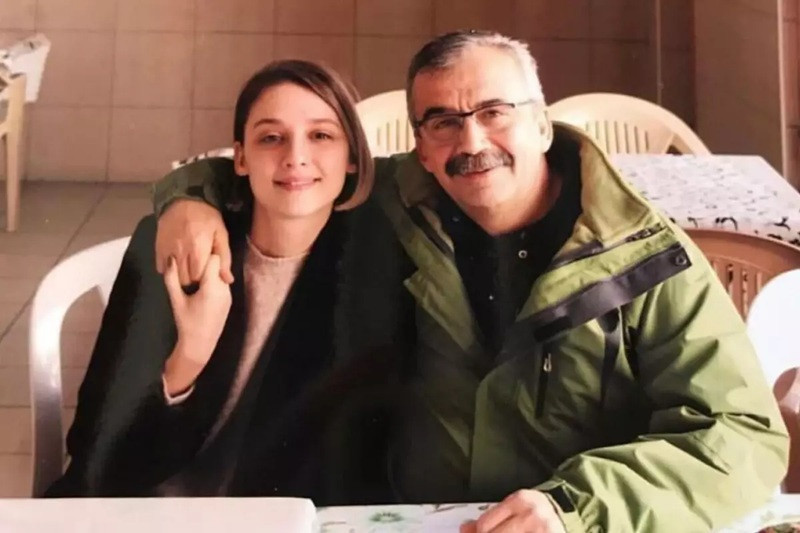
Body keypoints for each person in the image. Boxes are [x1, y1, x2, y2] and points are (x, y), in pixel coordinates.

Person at [150, 31, 789, 532]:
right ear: (422, 148)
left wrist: (576, 507)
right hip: (411, 518)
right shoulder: (401, 202)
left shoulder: (642, 257)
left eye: (494, 112)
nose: (471, 140)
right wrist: (188, 199)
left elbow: (744, 435)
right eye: (443, 121)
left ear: (543, 125)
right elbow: (284, 168)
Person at [46, 60, 414, 503]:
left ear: (353, 157)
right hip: (146, 510)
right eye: (271, 137)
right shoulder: (180, 243)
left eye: (321, 136)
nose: (295, 157)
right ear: (240, 158)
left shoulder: (377, 262)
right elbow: (95, 456)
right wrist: (189, 357)